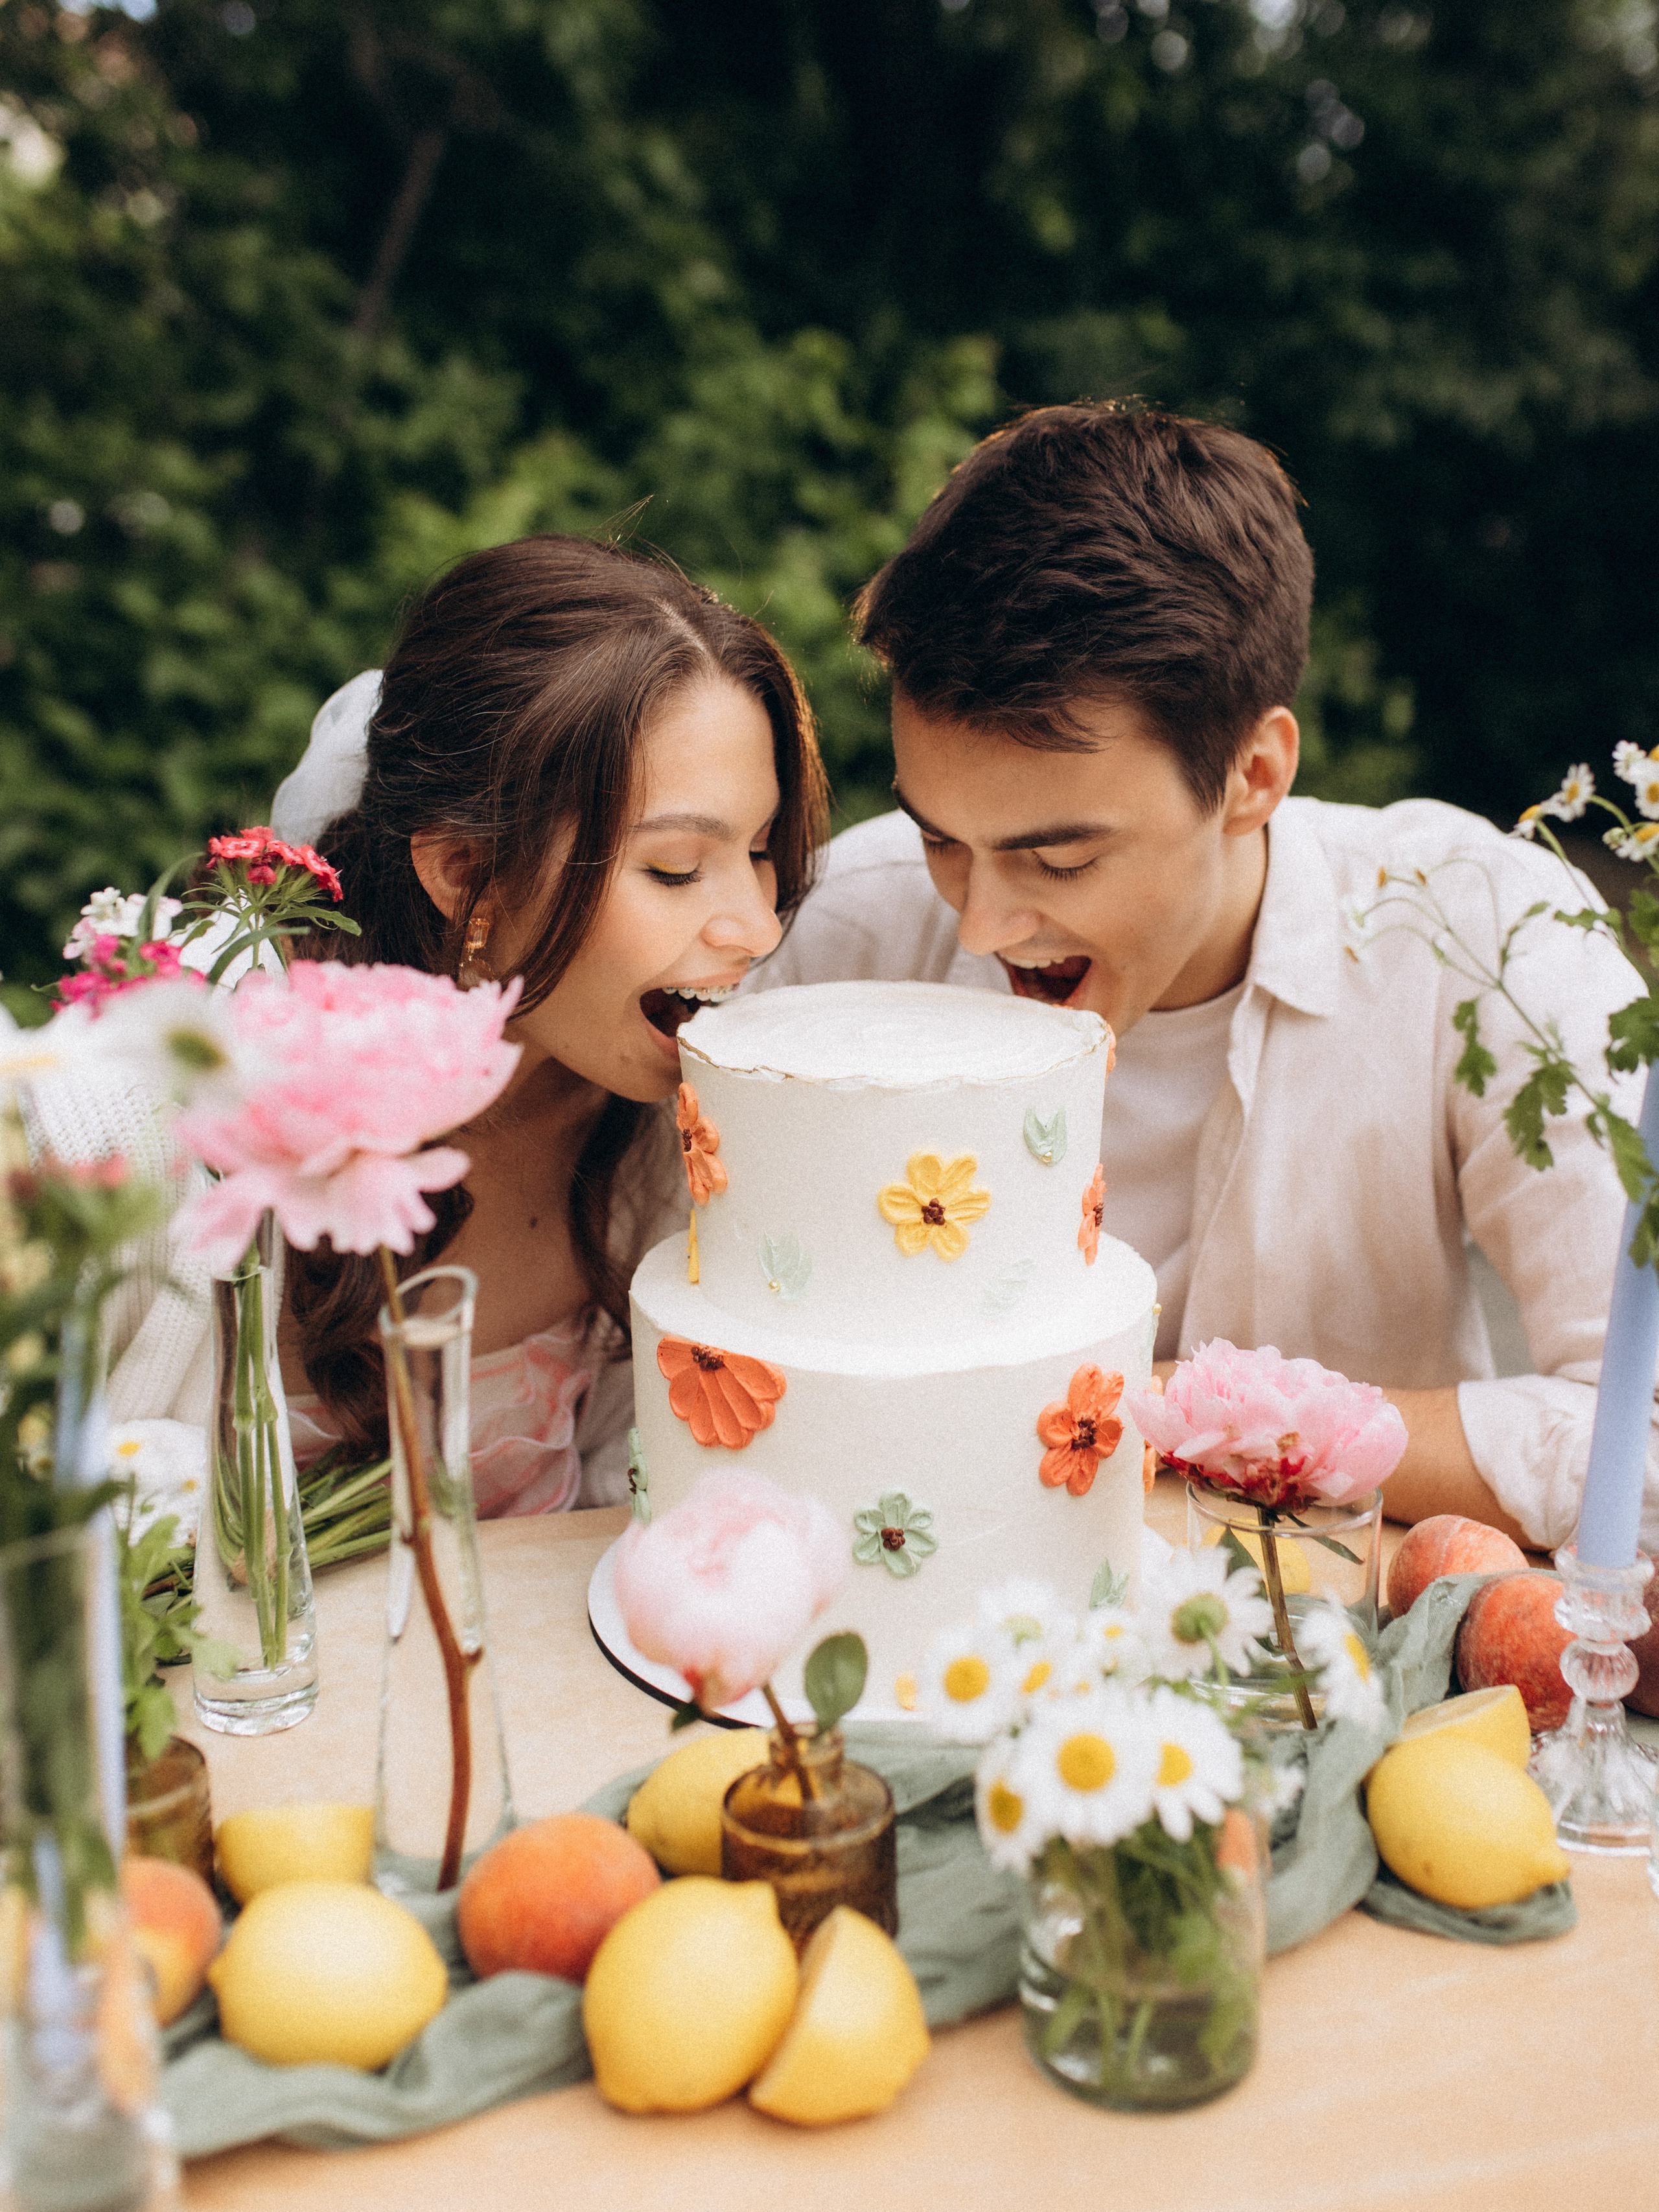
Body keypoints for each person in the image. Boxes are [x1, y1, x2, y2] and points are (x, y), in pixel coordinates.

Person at [751, 402, 1652, 1553]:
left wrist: (1204, 1415)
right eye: (940, 837)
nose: (979, 921)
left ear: (1253, 775)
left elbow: (1639, 1433)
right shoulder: (844, 932)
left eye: (1059, 858)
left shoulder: (1484, 936)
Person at [42, 534, 828, 1513]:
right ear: (467, 875)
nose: (757, 927)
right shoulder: (152, 1113)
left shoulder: (670, 1148)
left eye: (760, 851)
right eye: (674, 869)